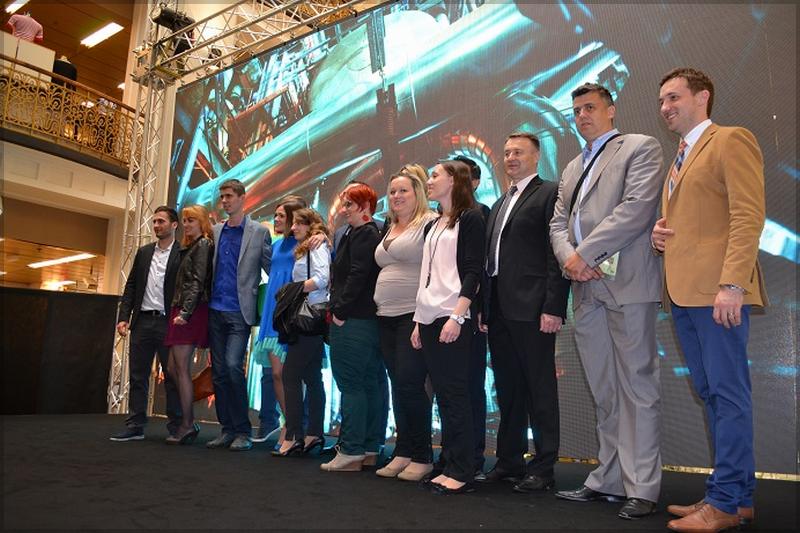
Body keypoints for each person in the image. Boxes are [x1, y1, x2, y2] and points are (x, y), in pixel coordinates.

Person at [651, 67, 767, 533]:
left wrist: (733, 284)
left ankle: (723, 502)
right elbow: (697, 221)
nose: (665, 107)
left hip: (717, 293)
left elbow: (747, 215)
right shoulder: (680, 157)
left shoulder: (730, 139)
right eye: (662, 100)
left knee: (727, 394)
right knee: (714, 395)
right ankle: (737, 496)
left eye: (674, 97)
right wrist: (659, 234)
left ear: (703, 97)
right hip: (684, 293)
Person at [550, 83, 665, 519]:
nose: (582, 115)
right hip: (585, 287)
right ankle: (609, 479)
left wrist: (585, 254)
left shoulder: (639, 147)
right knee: (604, 390)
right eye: (576, 110)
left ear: (611, 110)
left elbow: (636, 208)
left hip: (627, 283)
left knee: (637, 387)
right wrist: (571, 260)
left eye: (590, 107)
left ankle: (642, 486)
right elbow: (558, 223)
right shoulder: (572, 166)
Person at [479, 132, 570, 492]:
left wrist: (553, 306)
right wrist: (486, 309)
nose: (511, 158)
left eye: (518, 152)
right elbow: (492, 262)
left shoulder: (549, 193)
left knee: (539, 390)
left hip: (534, 309)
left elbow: (555, 253)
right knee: (509, 390)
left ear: (536, 156)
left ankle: (543, 467)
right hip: (500, 311)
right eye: (506, 152)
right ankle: (509, 462)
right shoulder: (501, 201)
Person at [411, 159, 485, 495]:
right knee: (443, 394)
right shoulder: (434, 224)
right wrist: (418, 321)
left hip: (453, 316)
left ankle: (463, 470)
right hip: (428, 317)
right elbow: (425, 274)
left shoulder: (471, 218)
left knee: (457, 394)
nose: (429, 180)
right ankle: (451, 464)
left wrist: (457, 316)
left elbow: (473, 271)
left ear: (454, 180)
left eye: (434, 175)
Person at [373, 170, 437, 481]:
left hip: (413, 316)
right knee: (398, 385)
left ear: (418, 193)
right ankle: (403, 450)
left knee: (411, 384)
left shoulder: (429, 222)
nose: (396, 196)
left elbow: (435, 270)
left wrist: (421, 319)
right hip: (385, 316)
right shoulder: (389, 226)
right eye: (392, 191)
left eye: (403, 191)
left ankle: (423, 456)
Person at [321, 183, 383, 472]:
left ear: (365, 206)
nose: (344, 210)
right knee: (367, 383)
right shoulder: (359, 233)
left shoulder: (364, 234)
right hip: (363, 320)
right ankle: (367, 448)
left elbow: (358, 275)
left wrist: (339, 311)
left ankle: (352, 450)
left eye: (349, 204)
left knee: (351, 384)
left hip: (354, 320)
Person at [206, 179, 272, 451]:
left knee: (233, 367)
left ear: (242, 198)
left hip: (239, 311)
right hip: (215, 310)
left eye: (229, 196)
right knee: (219, 372)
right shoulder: (215, 231)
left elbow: (272, 267)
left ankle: (243, 431)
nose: (225, 201)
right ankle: (227, 429)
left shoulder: (259, 232)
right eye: (222, 197)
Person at [111, 206, 182, 441]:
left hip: (168, 322)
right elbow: (131, 285)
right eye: (154, 222)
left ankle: (176, 426)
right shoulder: (144, 252)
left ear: (174, 225)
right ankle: (135, 425)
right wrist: (124, 316)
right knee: (138, 375)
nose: (156, 226)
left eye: (161, 221)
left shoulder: (182, 253)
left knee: (172, 377)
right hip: (142, 321)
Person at [272, 208, 331, 457]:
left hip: (309, 319)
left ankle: (294, 435)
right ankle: (313, 433)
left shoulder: (316, 246)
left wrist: (293, 290)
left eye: (298, 223)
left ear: (309, 225)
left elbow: (322, 279)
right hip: (312, 319)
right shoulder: (311, 246)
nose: (293, 227)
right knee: (312, 376)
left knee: (290, 375)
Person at [252, 195, 307, 444]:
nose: (276, 219)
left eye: (281, 216)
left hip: (292, 313)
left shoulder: (305, 244)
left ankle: (294, 427)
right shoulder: (274, 246)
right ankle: (289, 423)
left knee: (291, 375)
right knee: (276, 373)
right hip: (273, 313)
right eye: (275, 215)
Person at [164, 205, 214, 445]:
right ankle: (187, 422)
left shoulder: (203, 244)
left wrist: (185, 312)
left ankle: (187, 424)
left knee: (180, 367)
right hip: (183, 308)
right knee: (173, 368)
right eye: (184, 220)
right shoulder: (191, 246)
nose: (186, 224)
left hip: (191, 310)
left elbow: (197, 281)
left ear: (202, 222)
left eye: (191, 220)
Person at [453, 154, 490, 476]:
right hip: (442, 312)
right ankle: (453, 455)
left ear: (474, 182)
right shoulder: (440, 219)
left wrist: (482, 310)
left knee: (470, 385)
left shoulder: (479, 215)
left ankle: (474, 458)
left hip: (471, 313)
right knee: (449, 388)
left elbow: (480, 269)